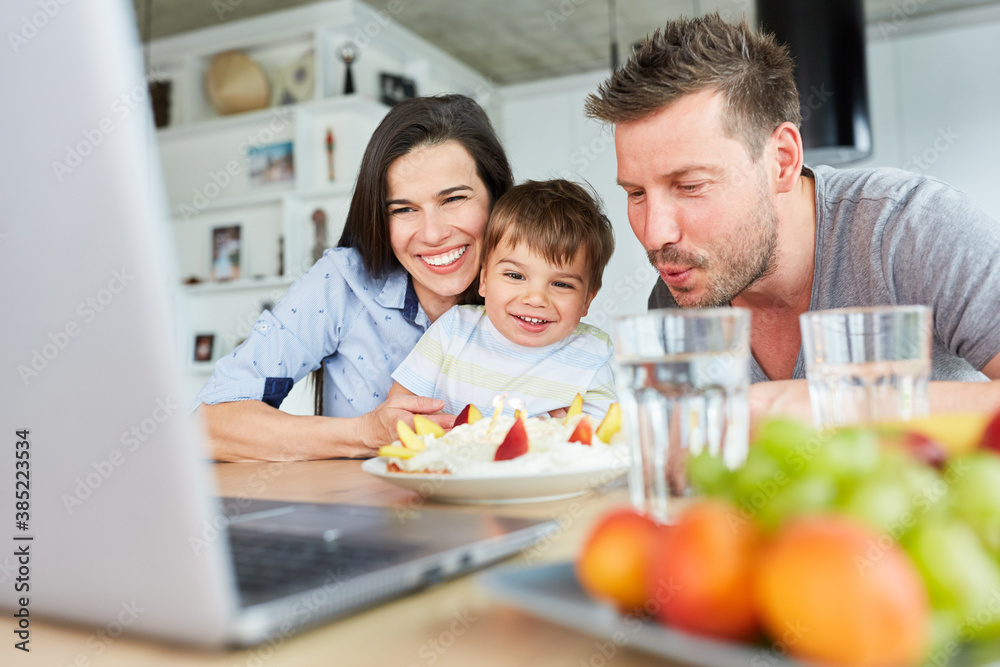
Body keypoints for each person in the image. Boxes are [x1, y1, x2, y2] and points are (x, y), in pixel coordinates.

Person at [583, 13, 1000, 422]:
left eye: (690, 186)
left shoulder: (913, 227)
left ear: (782, 161)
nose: (656, 234)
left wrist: (836, 402)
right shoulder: (680, 289)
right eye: (636, 193)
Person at [194, 94, 514, 461]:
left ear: (496, 197)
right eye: (405, 209)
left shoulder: (535, 290)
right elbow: (208, 425)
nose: (432, 233)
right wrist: (365, 433)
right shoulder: (344, 284)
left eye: (453, 199)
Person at [388, 179, 617, 419]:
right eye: (515, 275)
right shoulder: (452, 331)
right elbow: (397, 413)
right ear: (484, 279)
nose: (536, 299)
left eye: (561, 284)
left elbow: (604, 439)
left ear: (587, 299)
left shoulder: (592, 354)